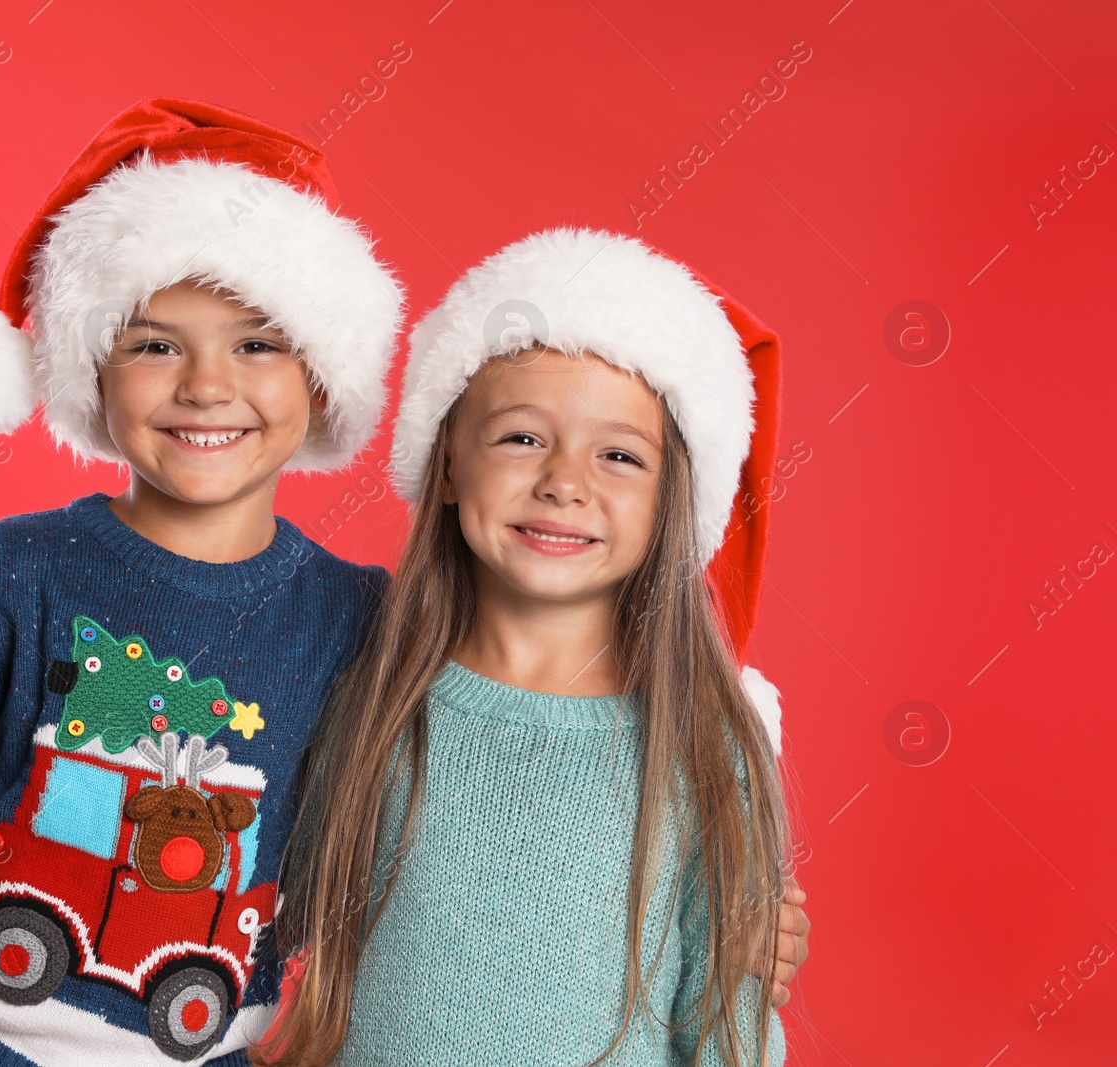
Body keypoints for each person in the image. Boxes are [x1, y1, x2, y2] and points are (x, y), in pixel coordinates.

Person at [0, 98, 406, 1067]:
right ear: (92, 366)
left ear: (321, 377)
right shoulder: (19, 567)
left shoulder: (358, 619)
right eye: (155, 343)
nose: (206, 384)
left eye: (257, 342)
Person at [263, 228, 803, 1066]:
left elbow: (731, 1025)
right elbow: (252, 899)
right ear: (446, 465)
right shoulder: (364, 688)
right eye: (521, 437)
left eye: (620, 455)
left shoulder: (703, 748)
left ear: (672, 505)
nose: (565, 481)